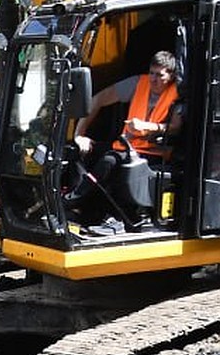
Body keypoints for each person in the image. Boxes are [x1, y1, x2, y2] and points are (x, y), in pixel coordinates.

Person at [66, 50, 183, 233]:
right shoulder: (139, 83)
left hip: (154, 152)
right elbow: (97, 100)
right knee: (76, 151)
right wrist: (79, 135)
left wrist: (150, 127)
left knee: (109, 161)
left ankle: (97, 210)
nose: (153, 79)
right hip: (126, 146)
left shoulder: (177, 93)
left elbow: (176, 127)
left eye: (159, 75)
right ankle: (84, 210)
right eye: (151, 73)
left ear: (171, 76)